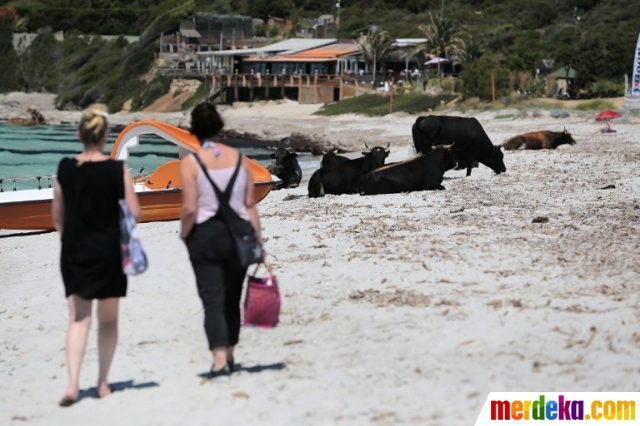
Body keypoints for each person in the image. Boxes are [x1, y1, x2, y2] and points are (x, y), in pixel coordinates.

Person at [52, 104, 141, 407]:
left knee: (78, 319)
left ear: (79, 135)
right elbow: (135, 213)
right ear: (105, 136)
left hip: (75, 252)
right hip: (109, 253)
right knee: (108, 321)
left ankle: (73, 384)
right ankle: (102, 383)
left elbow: (58, 220)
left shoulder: (64, 168)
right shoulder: (117, 170)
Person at [180, 102, 265, 381]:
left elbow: (190, 209)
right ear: (219, 127)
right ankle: (230, 353)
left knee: (212, 299)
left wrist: (185, 233)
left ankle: (218, 360)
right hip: (238, 235)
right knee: (232, 297)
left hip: (204, 236)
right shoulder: (240, 160)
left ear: (194, 130)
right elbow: (249, 204)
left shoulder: (190, 163)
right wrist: (259, 241)